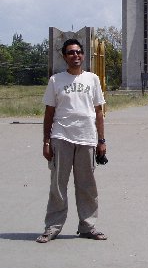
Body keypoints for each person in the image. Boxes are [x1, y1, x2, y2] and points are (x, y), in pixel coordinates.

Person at [36, 39, 107, 243]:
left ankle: (88, 226)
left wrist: (101, 140)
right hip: (61, 137)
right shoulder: (56, 80)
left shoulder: (92, 79)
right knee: (58, 185)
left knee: (87, 186)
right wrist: (46, 141)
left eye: (78, 52)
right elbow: (49, 113)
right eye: (70, 53)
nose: (75, 56)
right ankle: (53, 227)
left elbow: (99, 112)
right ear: (64, 57)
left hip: (87, 138)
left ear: (83, 55)